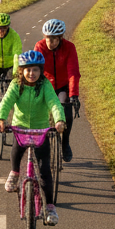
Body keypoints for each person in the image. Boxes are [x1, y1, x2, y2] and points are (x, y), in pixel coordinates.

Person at [0, 50, 65, 226]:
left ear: (40, 71)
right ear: (21, 71)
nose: (31, 74)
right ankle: (15, 172)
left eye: (35, 70)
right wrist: (0, 118)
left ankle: (49, 207)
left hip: (41, 130)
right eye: (27, 70)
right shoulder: (16, 84)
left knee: (44, 171)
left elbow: (54, 103)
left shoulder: (45, 85)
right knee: (17, 150)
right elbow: (6, 101)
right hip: (21, 128)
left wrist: (59, 120)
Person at [34, 18, 80, 162]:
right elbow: (35, 70)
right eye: (48, 38)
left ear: (60, 38)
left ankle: (65, 143)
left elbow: (73, 72)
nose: (50, 42)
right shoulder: (40, 46)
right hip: (46, 84)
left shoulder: (69, 48)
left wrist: (74, 95)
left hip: (62, 86)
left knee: (66, 109)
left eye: (54, 39)